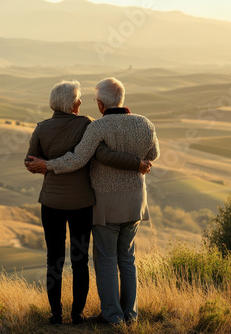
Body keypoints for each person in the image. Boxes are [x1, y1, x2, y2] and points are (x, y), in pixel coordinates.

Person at [27, 77, 160, 325]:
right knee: (127, 258)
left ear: (100, 104)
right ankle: (129, 315)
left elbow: (77, 159)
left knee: (104, 258)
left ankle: (110, 315)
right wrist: (136, 162)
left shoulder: (97, 127)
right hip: (134, 201)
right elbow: (153, 154)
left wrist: (47, 165)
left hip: (106, 204)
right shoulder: (145, 123)